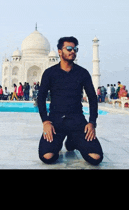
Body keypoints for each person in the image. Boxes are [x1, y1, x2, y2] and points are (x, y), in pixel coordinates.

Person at [38, 36, 103, 166]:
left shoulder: (82, 73)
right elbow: (41, 98)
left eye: (75, 49)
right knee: (47, 157)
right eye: (69, 48)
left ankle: (72, 141)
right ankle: (58, 143)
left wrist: (92, 123)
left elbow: (92, 98)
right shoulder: (50, 73)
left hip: (77, 121)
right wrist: (45, 121)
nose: (72, 51)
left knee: (96, 158)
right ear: (59, 51)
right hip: (56, 122)